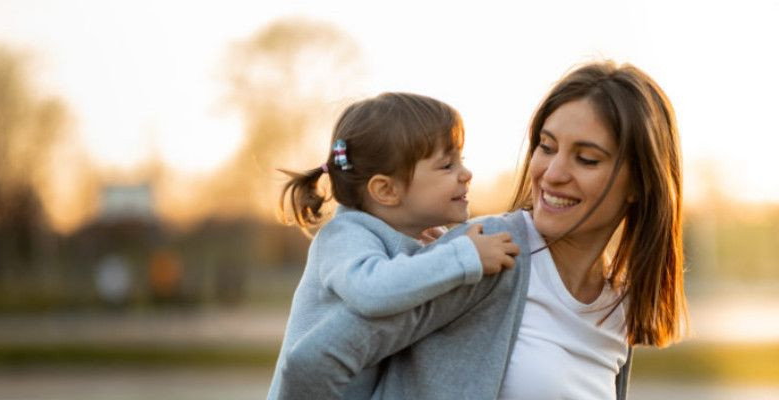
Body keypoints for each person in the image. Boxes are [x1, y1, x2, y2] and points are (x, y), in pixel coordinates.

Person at [274, 61, 688, 400]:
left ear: (640, 183)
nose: (552, 173)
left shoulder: (618, 303)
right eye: (546, 147)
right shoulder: (486, 254)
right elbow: (313, 363)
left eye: (587, 159)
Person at [267, 92, 520, 399]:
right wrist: (462, 256)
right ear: (386, 190)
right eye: (447, 165)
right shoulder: (344, 235)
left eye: (461, 161)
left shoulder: (408, 237)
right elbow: (372, 291)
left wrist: (437, 252)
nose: (466, 174)